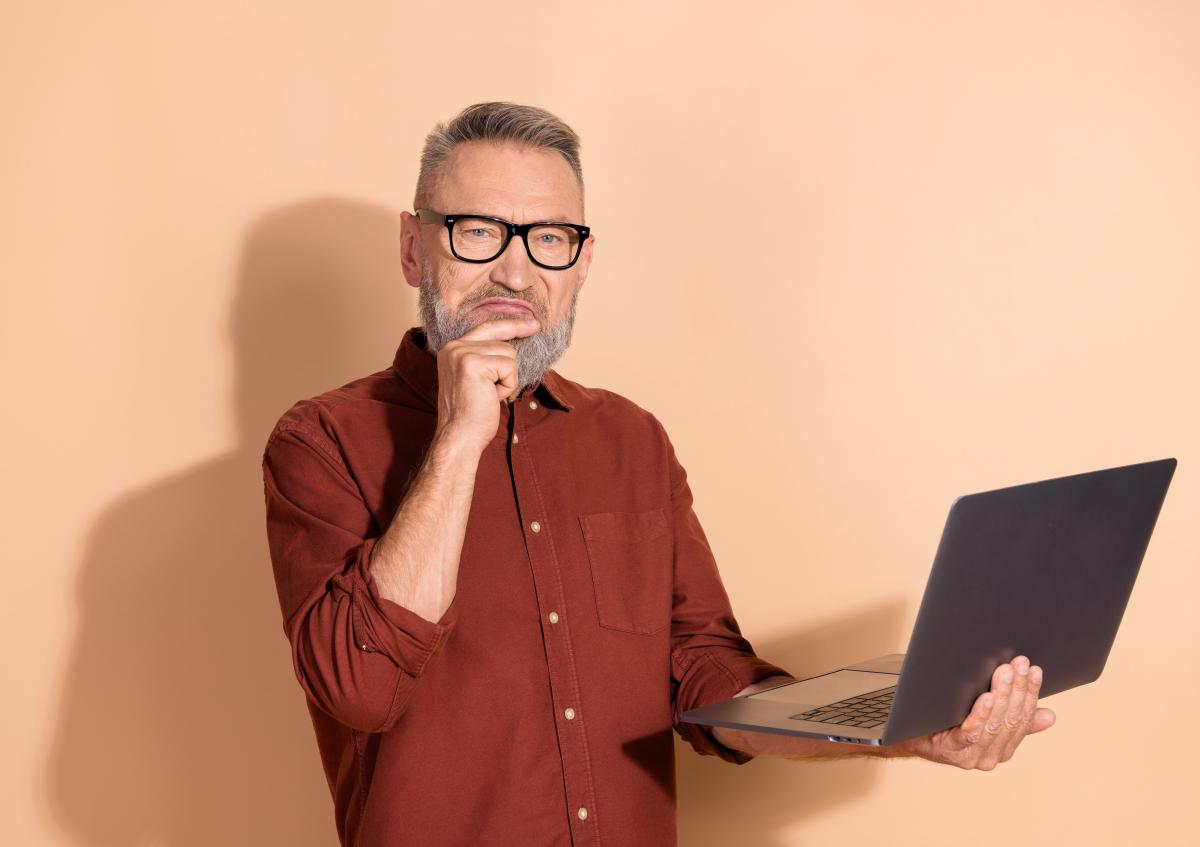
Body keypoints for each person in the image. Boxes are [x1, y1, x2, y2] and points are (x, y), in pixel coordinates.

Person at [260, 102, 1056, 847]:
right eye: (477, 231)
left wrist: (901, 728)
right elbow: (358, 687)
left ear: (583, 261)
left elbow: (709, 681)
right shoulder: (321, 440)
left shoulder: (632, 440)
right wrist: (460, 433)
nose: (514, 270)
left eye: (548, 237)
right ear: (413, 247)